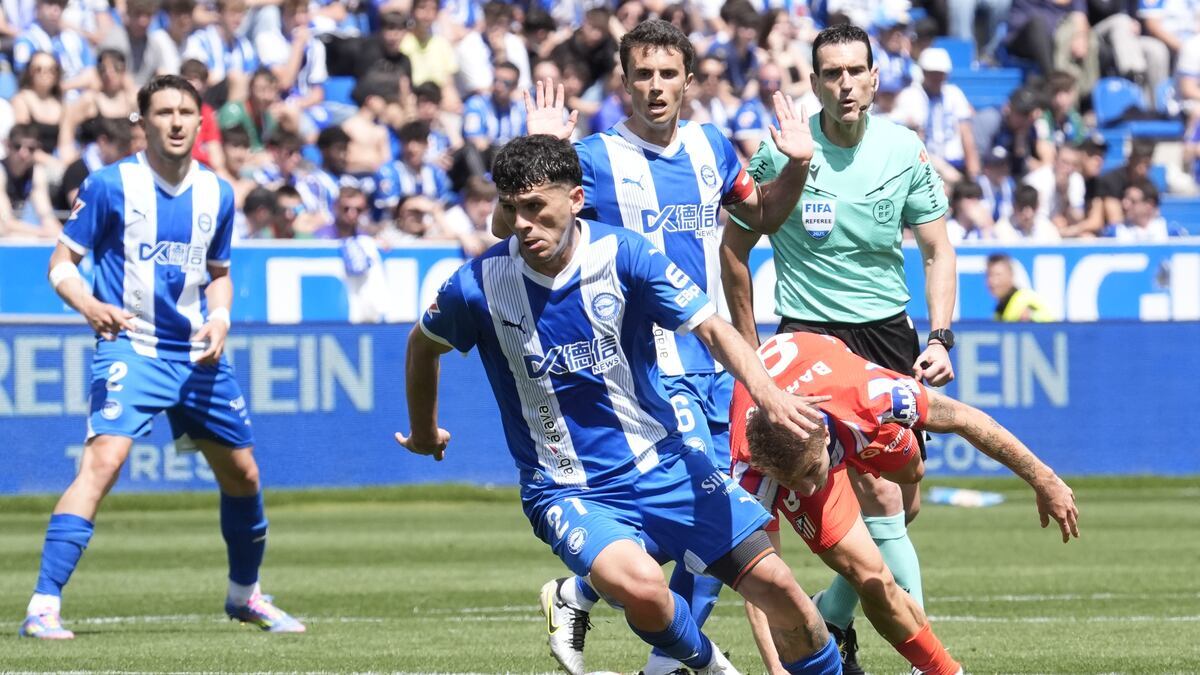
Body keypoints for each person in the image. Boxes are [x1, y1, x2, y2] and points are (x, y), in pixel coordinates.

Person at [398, 133, 843, 675]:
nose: (522, 224)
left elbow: (711, 328)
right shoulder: (479, 285)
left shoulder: (625, 255)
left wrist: (769, 393)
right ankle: (708, 666)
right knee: (645, 588)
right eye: (512, 209)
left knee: (782, 591)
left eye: (537, 208)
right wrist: (424, 432)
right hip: (565, 485)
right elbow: (423, 345)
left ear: (576, 199)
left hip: (665, 462)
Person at [520, 19, 815, 675]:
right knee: (717, 524)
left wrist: (798, 164)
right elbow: (528, 226)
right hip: (647, 373)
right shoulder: (593, 159)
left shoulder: (712, 147)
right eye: (642, 74)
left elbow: (759, 215)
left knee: (702, 526)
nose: (655, 87)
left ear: (688, 79)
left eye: (666, 74)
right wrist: (542, 157)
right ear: (625, 82)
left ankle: (580, 592)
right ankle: (667, 664)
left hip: (714, 366)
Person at [18, 75, 304, 640]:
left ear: (200, 123)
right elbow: (60, 266)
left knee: (244, 475)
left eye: (185, 112)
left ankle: (245, 595)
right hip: (133, 346)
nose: (175, 121)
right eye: (163, 112)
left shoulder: (218, 193)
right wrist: (89, 304)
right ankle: (43, 605)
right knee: (103, 462)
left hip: (198, 354)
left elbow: (219, 277)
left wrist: (221, 319)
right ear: (141, 122)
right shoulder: (109, 185)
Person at [721, 24, 957, 674]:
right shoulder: (785, 154)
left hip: (888, 335)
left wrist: (939, 335)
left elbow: (938, 250)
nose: (846, 83)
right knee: (879, 504)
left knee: (904, 501)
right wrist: (750, 348)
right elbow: (734, 250)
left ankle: (833, 615)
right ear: (816, 81)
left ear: (876, 78)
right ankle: (927, 662)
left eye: (857, 70)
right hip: (809, 341)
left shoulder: (904, 150)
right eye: (832, 73)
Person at [735, 331, 1079, 673]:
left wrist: (1043, 478)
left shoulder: (872, 396)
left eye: (811, 472)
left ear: (825, 436)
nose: (807, 489)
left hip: (839, 397)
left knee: (912, 473)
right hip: (798, 436)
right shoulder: (750, 469)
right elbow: (763, 583)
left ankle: (831, 613)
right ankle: (944, 671)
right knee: (870, 576)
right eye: (793, 483)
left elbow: (964, 418)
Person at [985, 253, 1056, 321]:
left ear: (1011, 275)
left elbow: (1051, 321)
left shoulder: (1025, 299)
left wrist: (1032, 316)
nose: (993, 281)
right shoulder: (998, 309)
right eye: (989, 275)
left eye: (998, 275)